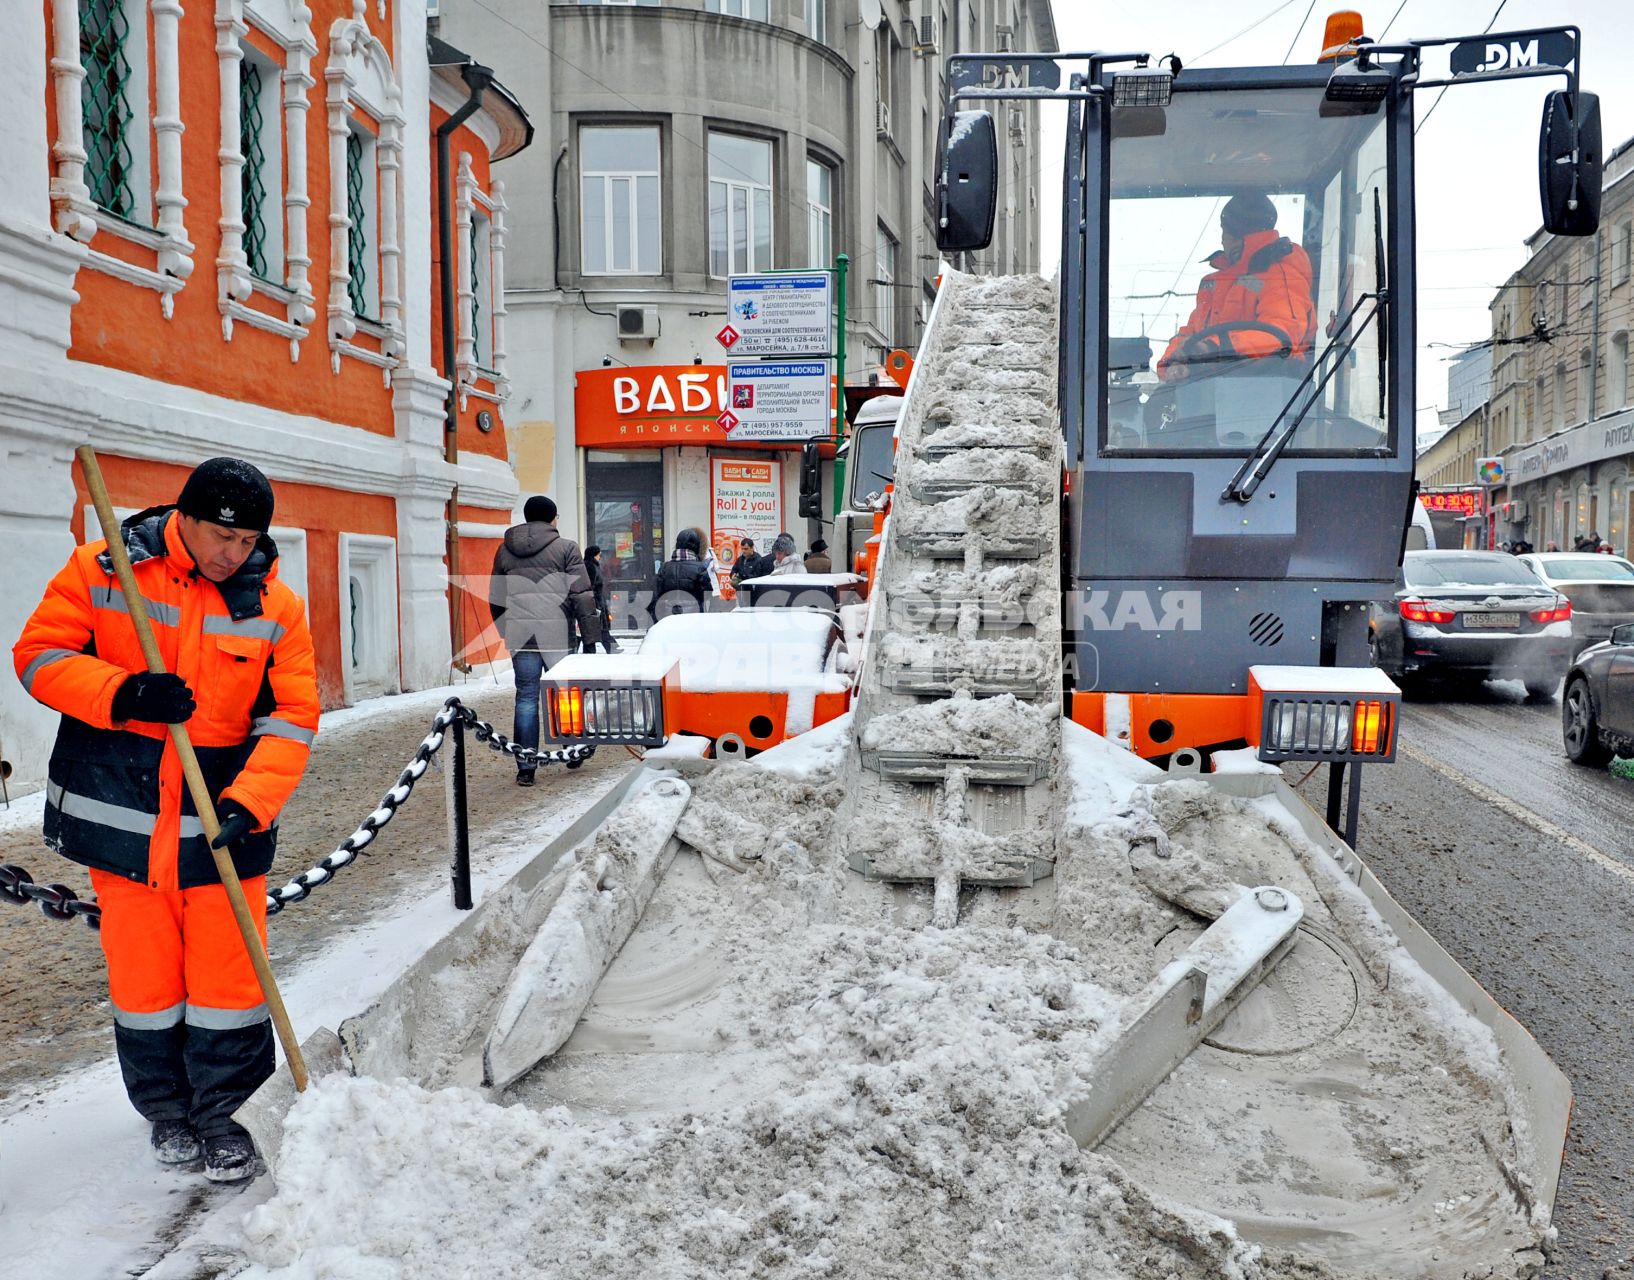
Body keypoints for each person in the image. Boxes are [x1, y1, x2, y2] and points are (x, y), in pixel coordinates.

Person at [13, 457, 320, 1183]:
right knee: (146, 985)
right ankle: (168, 1112)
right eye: (221, 535)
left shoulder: (274, 606)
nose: (232, 554)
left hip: (221, 826)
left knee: (230, 982)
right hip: (122, 822)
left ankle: (229, 1115)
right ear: (183, 517)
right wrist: (123, 692)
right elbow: (38, 656)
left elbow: (292, 714)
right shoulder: (104, 569)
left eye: (247, 542)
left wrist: (256, 799)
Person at [490, 496, 600, 786]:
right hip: (557, 636)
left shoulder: (505, 550)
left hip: (521, 635)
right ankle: (571, 750)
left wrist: (506, 630)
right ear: (552, 519)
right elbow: (582, 595)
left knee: (526, 697)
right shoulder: (566, 548)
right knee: (564, 692)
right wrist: (590, 638)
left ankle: (525, 766)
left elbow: (496, 597)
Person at [1157, 191, 1317, 382]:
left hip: (1271, 397)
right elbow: (1191, 334)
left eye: (1224, 231)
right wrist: (1172, 362)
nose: (1222, 240)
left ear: (1237, 237)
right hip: (1211, 390)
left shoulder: (1280, 274)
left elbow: (1282, 335)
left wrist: (1213, 348)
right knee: (1154, 406)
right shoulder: (1219, 283)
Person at [650, 528, 712, 619]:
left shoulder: (665, 568)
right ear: (696, 546)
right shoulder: (700, 568)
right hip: (693, 616)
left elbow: (656, 595)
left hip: (669, 617)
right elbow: (707, 594)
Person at [580, 545, 621, 653]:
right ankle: (610, 647)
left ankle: (610, 647)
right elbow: (590, 586)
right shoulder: (590, 567)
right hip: (594, 603)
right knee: (597, 628)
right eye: (598, 554)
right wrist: (595, 602)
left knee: (597, 628)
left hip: (597, 601)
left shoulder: (593, 565)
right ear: (594, 555)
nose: (600, 557)